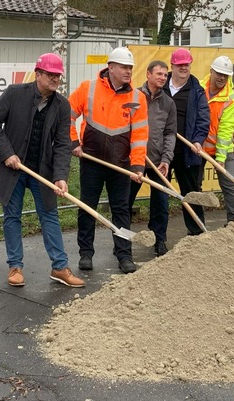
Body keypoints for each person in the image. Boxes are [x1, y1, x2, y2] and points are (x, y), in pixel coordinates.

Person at [0, 52, 84, 288]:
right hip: (13, 170)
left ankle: (59, 267)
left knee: (49, 215)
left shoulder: (61, 105)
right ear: (37, 74)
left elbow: (62, 143)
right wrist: (6, 153)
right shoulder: (14, 94)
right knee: (12, 216)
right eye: (50, 74)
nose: (55, 79)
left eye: (58, 75)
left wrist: (60, 176)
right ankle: (15, 266)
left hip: (43, 171)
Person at [69, 47, 148, 273]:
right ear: (110, 67)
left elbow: (140, 135)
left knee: (121, 210)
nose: (128, 72)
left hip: (121, 166)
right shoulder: (88, 88)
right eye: (124, 67)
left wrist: (137, 165)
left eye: (130, 68)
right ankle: (86, 253)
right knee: (87, 207)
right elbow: (67, 114)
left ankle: (124, 255)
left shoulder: (137, 98)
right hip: (91, 161)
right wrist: (74, 142)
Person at [128, 60, 177, 257]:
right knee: (124, 202)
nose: (163, 78)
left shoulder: (168, 103)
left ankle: (159, 240)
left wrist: (166, 159)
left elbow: (170, 133)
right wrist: (131, 157)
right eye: (159, 74)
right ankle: (121, 243)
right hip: (134, 161)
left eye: (165, 75)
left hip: (157, 162)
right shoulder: (134, 97)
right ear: (148, 74)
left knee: (161, 203)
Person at [164, 48, 210, 236]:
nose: (184, 68)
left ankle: (197, 232)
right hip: (162, 151)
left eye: (187, 64)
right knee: (160, 194)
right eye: (180, 64)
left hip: (186, 150)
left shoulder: (197, 90)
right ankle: (159, 236)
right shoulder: (161, 86)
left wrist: (198, 140)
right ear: (172, 65)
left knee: (191, 192)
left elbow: (203, 119)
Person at [200, 55, 234, 224]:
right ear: (211, 71)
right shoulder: (198, 89)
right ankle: (197, 225)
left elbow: (225, 131)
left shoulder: (232, 100)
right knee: (195, 187)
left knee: (230, 185)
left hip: (222, 150)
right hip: (198, 147)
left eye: (225, 75)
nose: (221, 77)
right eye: (218, 73)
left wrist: (221, 157)